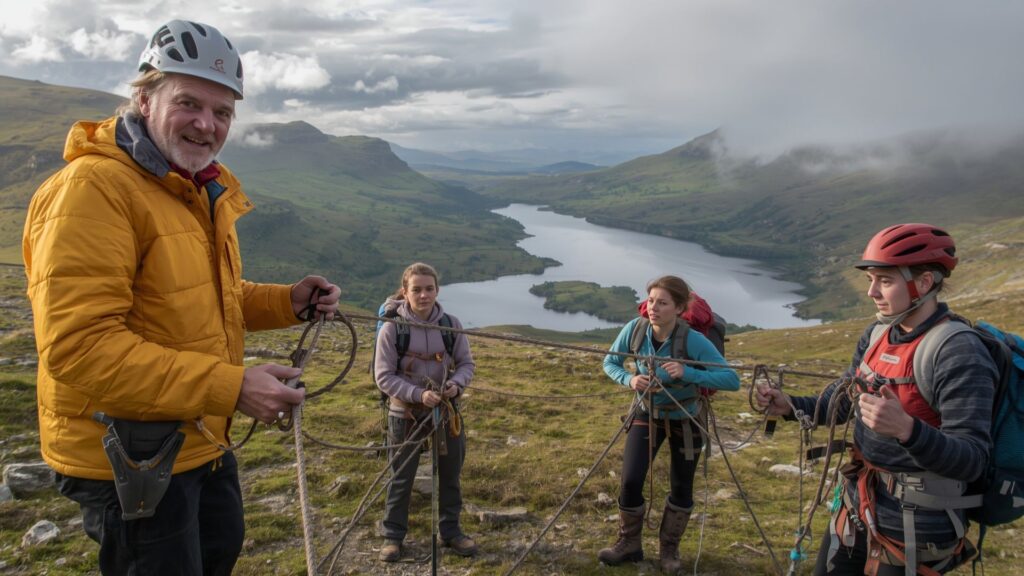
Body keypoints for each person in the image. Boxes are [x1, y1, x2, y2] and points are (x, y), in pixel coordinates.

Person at [22, 19, 341, 576]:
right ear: (144, 99)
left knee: (220, 550)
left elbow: (200, 298)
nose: (206, 124)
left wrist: (287, 302)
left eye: (222, 112)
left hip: (197, 436)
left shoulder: (190, 187)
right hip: (130, 452)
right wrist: (232, 387)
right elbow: (80, 348)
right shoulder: (92, 192)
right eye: (189, 103)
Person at [754, 223, 996, 575]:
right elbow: (843, 401)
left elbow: (972, 460)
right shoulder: (878, 334)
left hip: (916, 525)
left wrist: (907, 430)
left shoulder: (958, 351)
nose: (871, 292)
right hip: (857, 506)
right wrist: (789, 405)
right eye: (871, 279)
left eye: (884, 280)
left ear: (924, 283)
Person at [600, 275, 740, 573]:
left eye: (662, 303)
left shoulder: (693, 340)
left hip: (685, 418)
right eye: (651, 301)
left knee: (681, 485)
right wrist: (629, 380)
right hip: (646, 412)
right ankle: (629, 544)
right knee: (630, 480)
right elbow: (610, 362)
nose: (653, 308)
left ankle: (669, 550)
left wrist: (687, 373)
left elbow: (731, 379)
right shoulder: (635, 329)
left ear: (678, 308)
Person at [374, 262, 477, 562]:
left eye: (429, 289)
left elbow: (466, 364)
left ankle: (451, 531)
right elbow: (383, 376)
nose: (423, 295)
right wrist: (418, 394)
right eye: (416, 289)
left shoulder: (451, 325)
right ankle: (393, 536)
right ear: (404, 292)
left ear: (437, 290)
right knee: (401, 476)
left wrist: (456, 385)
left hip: (445, 410)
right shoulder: (393, 328)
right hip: (404, 412)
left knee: (450, 473)